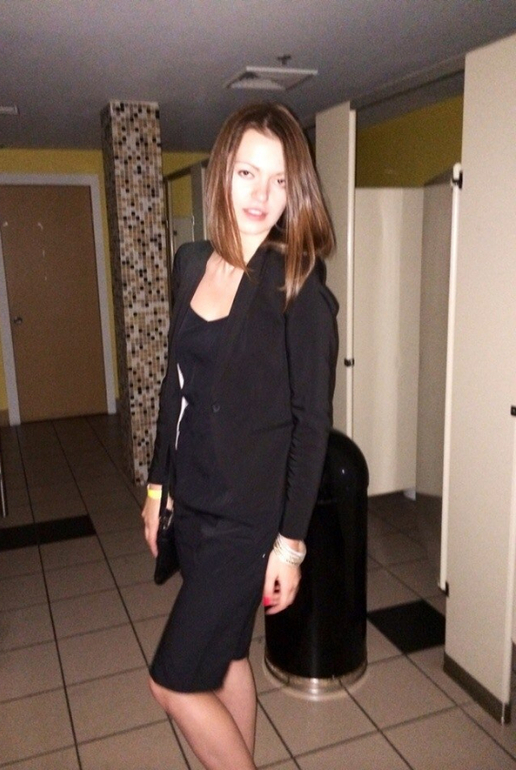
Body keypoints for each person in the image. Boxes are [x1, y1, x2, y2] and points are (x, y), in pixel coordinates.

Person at [141, 101, 338, 770]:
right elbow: (176, 386)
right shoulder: (191, 262)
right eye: (248, 173)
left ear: (295, 189)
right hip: (194, 504)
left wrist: (290, 545)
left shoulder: (297, 285)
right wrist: (158, 485)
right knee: (226, 658)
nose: (261, 195)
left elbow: (312, 426)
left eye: (280, 180)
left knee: (171, 682)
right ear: (221, 173)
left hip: (248, 520)